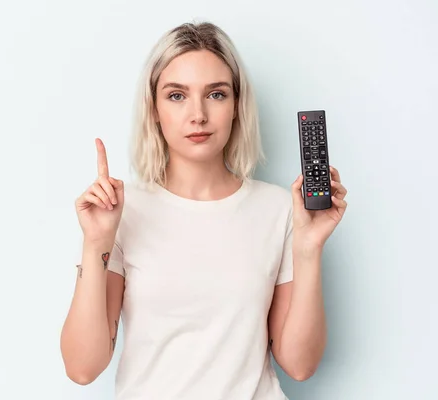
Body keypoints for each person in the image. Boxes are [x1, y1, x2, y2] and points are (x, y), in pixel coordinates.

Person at [60, 21, 348, 400]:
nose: (198, 114)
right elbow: (83, 367)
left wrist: (309, 248)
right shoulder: (121, 211)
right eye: (177, 96)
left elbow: (299, 364)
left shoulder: (278, 209)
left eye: (216, 94)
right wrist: (95, 241)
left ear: (236, 107)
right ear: (155, 109)